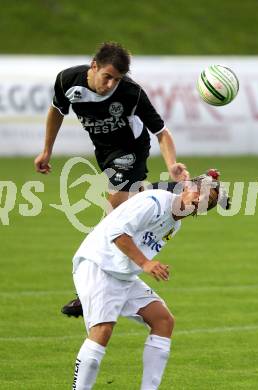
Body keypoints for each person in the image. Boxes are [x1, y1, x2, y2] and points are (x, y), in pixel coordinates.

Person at [34, 41, 189, 317]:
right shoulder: (67, 81)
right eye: (107, 76)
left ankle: (92, 287)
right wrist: (47, 150)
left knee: (116, 210)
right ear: (93, 66)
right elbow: (57, 111)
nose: (110, 85)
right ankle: (165, 191)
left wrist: (172, 163)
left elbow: (162, 132)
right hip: (104, 152)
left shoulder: (131, 93)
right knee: (127, 209)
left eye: (117, 79)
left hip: (132, 148)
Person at [70, 172, 230, 390]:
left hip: (122, 275)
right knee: (103, 330)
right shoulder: (154, 202)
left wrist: (142, 264)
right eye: (200, 192)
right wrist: (146, 264)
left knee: (163, 320)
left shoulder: (175, 225)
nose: (201, 200)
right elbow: (118, 233)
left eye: (209, 201)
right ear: (185, 187)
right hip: (98, 264)